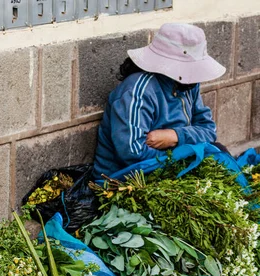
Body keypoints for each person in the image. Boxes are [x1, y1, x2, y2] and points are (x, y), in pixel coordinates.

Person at [93, 23, 227, 181]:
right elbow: (132, 153)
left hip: (168, 164)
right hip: (126, 178)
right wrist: (180, 156)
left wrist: (174, 136)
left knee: (220, 153)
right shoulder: (137, 91)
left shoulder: (188, 84)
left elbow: (209, 131)